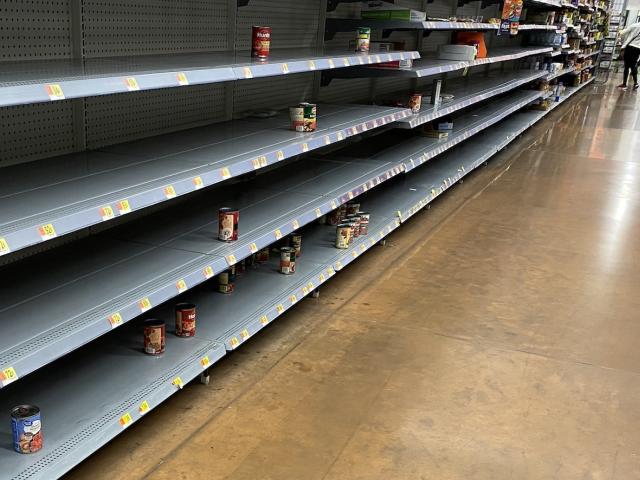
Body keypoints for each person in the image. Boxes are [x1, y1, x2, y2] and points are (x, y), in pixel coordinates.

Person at [618, 21, 640, 90]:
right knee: (634, 65)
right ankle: (635, 83)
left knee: (626, 65)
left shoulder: (634, 25)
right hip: (638, 48)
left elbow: (623, 33)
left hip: (630, 47)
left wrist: (620, 31)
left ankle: (624, 84)